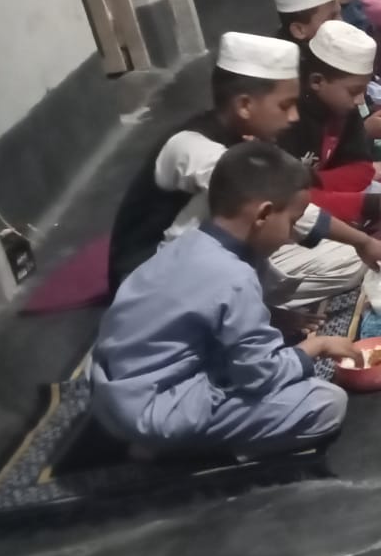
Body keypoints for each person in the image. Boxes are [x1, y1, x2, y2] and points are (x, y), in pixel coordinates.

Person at [93, 142, 356, 460]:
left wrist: (272, 318)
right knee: (326, 403)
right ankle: (181, 449)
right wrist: (316, 347)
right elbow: (261, 375)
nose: (290, 236)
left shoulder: (186, 245)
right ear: (263, 214)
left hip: (111, 396)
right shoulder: (233, 276)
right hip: (154, 410)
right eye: (291, 221)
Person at [108, 31, 381, 303]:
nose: (294, 117)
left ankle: (248, 301)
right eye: (285, 106)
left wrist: (359, 241)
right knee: (336, 251)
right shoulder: (191, 147)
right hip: (153, 282)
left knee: (341, 257)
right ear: (245, 105)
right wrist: (362, 242)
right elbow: (279, 202)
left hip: (204, 266)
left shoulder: (245, 138)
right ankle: (236, 309)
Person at [274, 0, 381, 163]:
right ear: (299, 30)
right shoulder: (293, 75)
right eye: (332, 17)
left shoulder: (329, 47)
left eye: (339, 13)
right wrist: (365, 132)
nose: (341, 22)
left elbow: (357, 99)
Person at [277, 21, 381, 228]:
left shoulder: (344, 106)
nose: (359, 100)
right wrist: (362, 204)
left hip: (317, 191)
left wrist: (315, 182)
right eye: (353, 91)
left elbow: (362, 170)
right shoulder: (288, 117)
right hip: (287, 209)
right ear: (317, 82)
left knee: (376, 191)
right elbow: (287, 200)